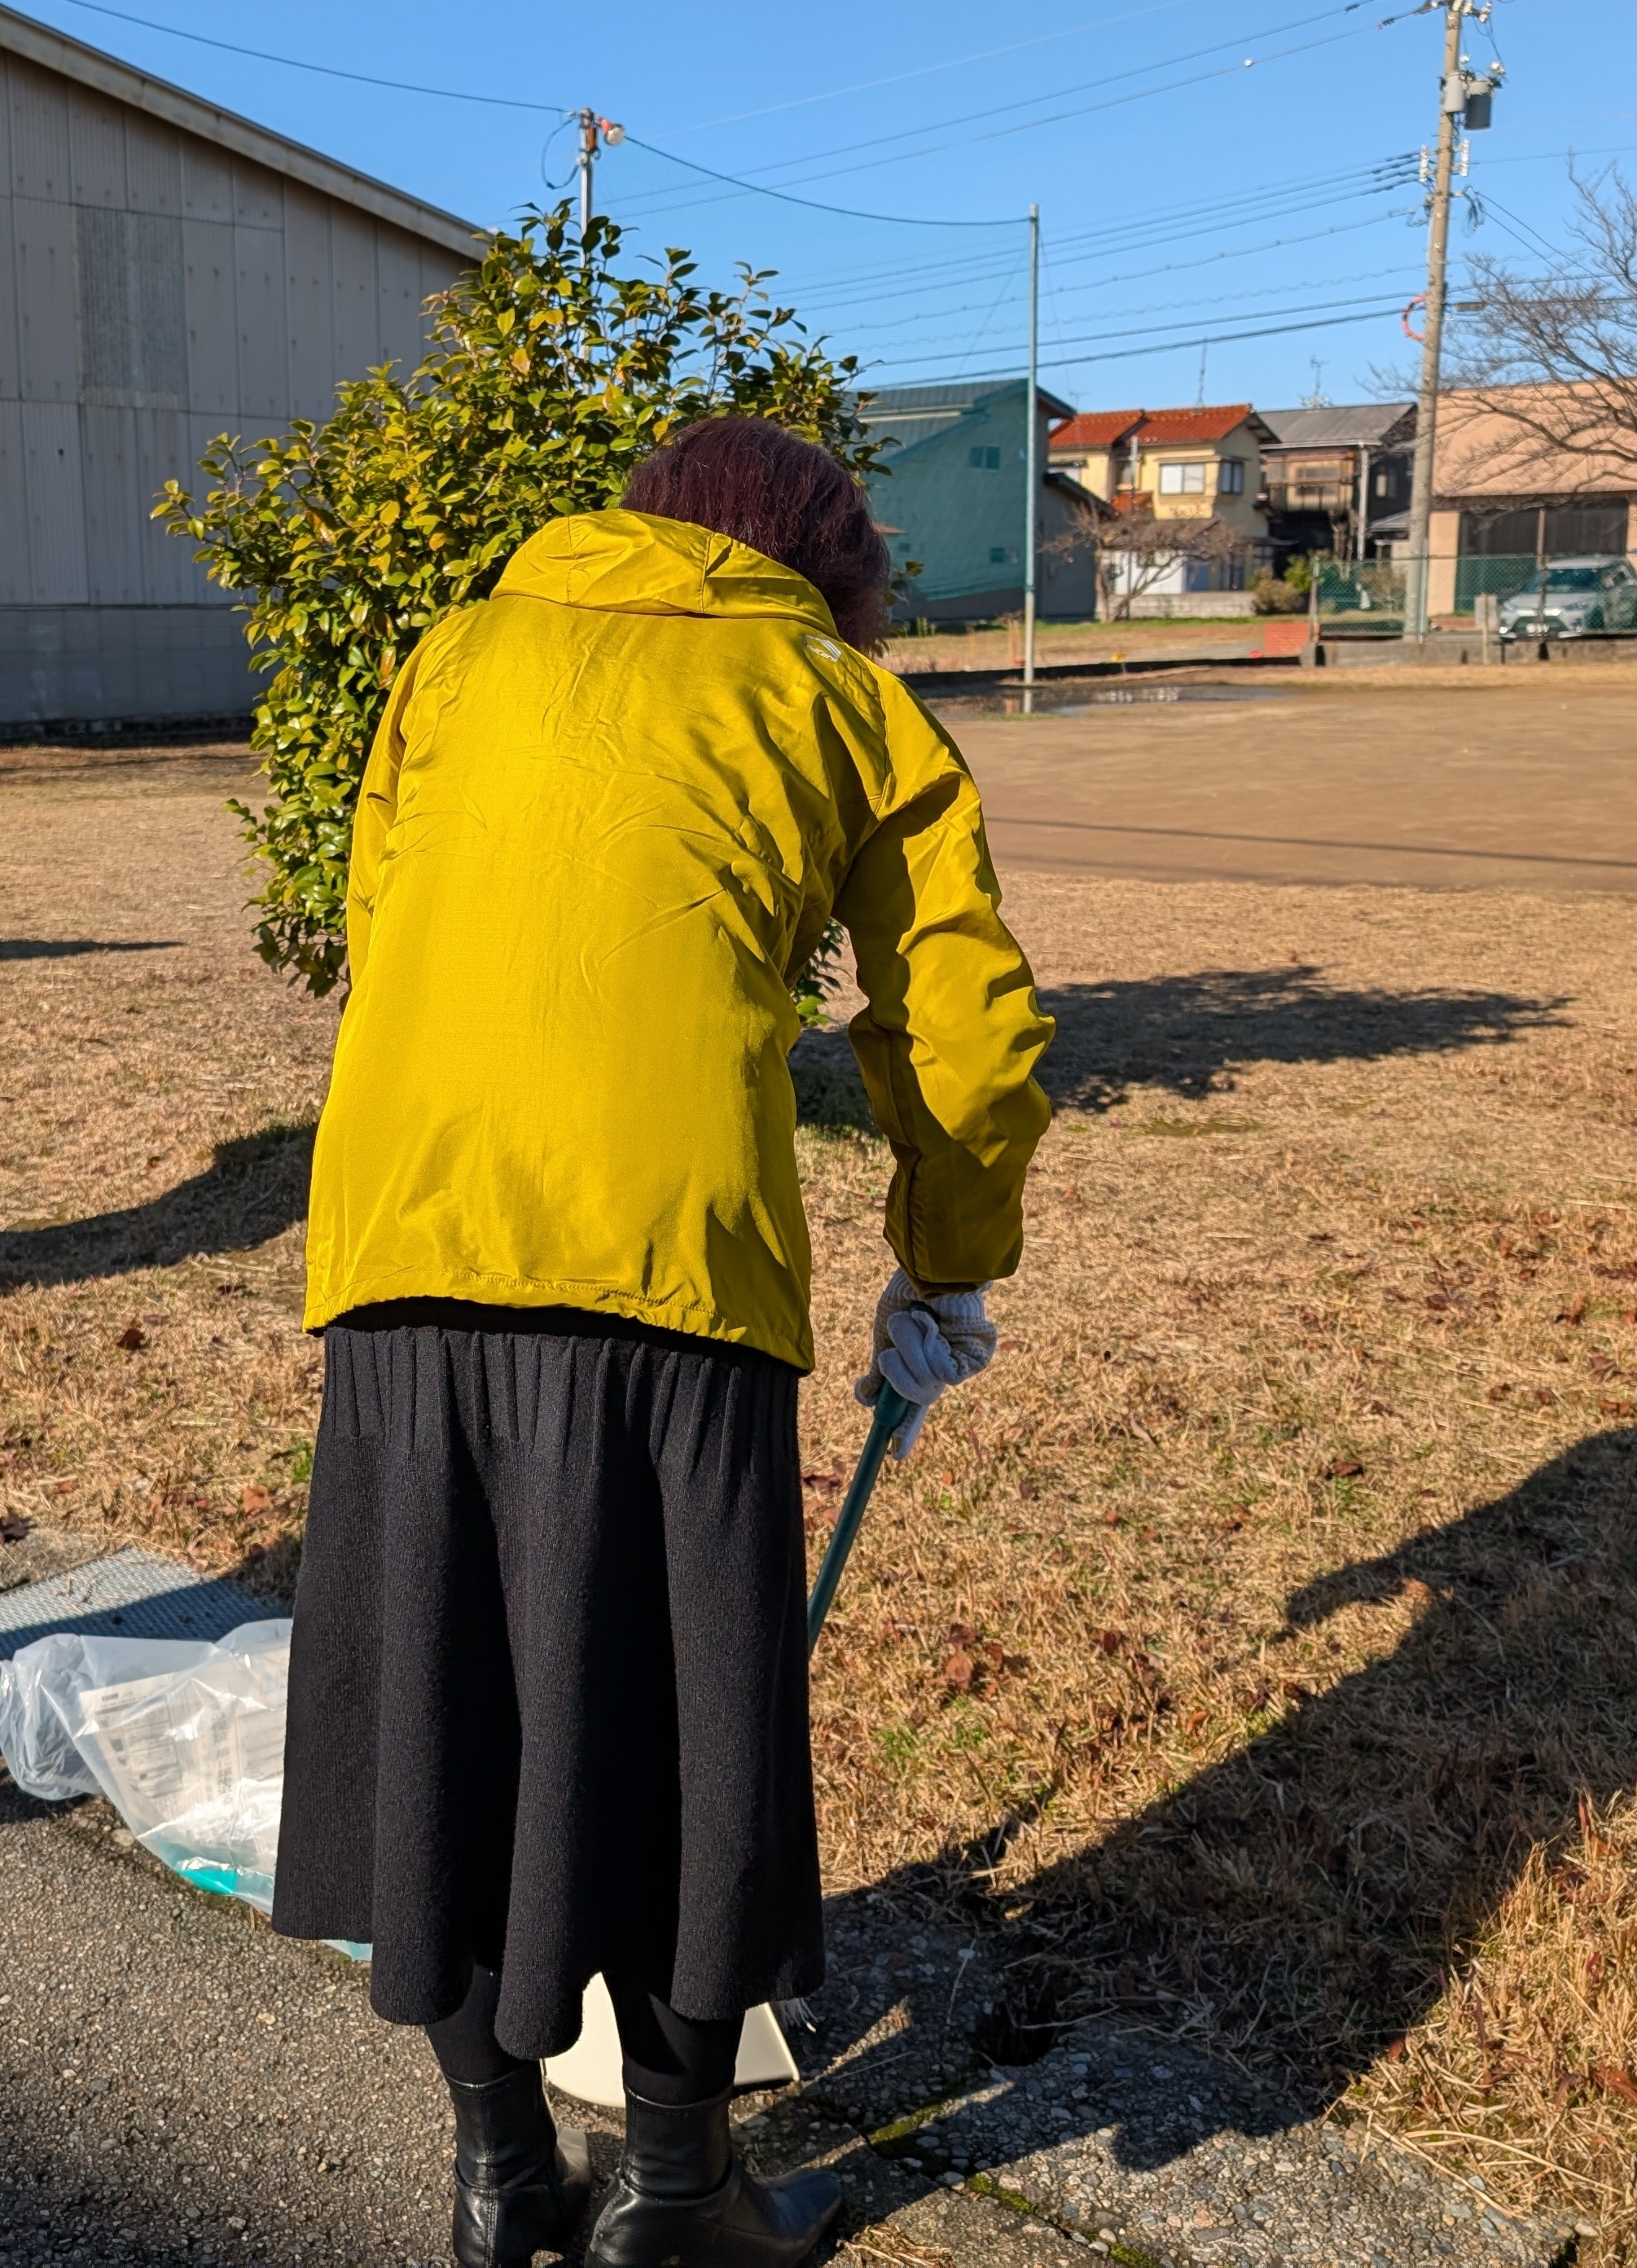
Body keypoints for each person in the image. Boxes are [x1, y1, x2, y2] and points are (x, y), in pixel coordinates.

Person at [274, 416, 1054, 2268]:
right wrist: (940, 1264)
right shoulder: (834, 697)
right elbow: (962, 1027)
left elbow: (386, 925)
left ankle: (495, 2170)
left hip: (403, 1246)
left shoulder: (453, 651)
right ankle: (675, 2194)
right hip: (668, 1264)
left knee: (448, 1712)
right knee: (694, 1731)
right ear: (825, 560)